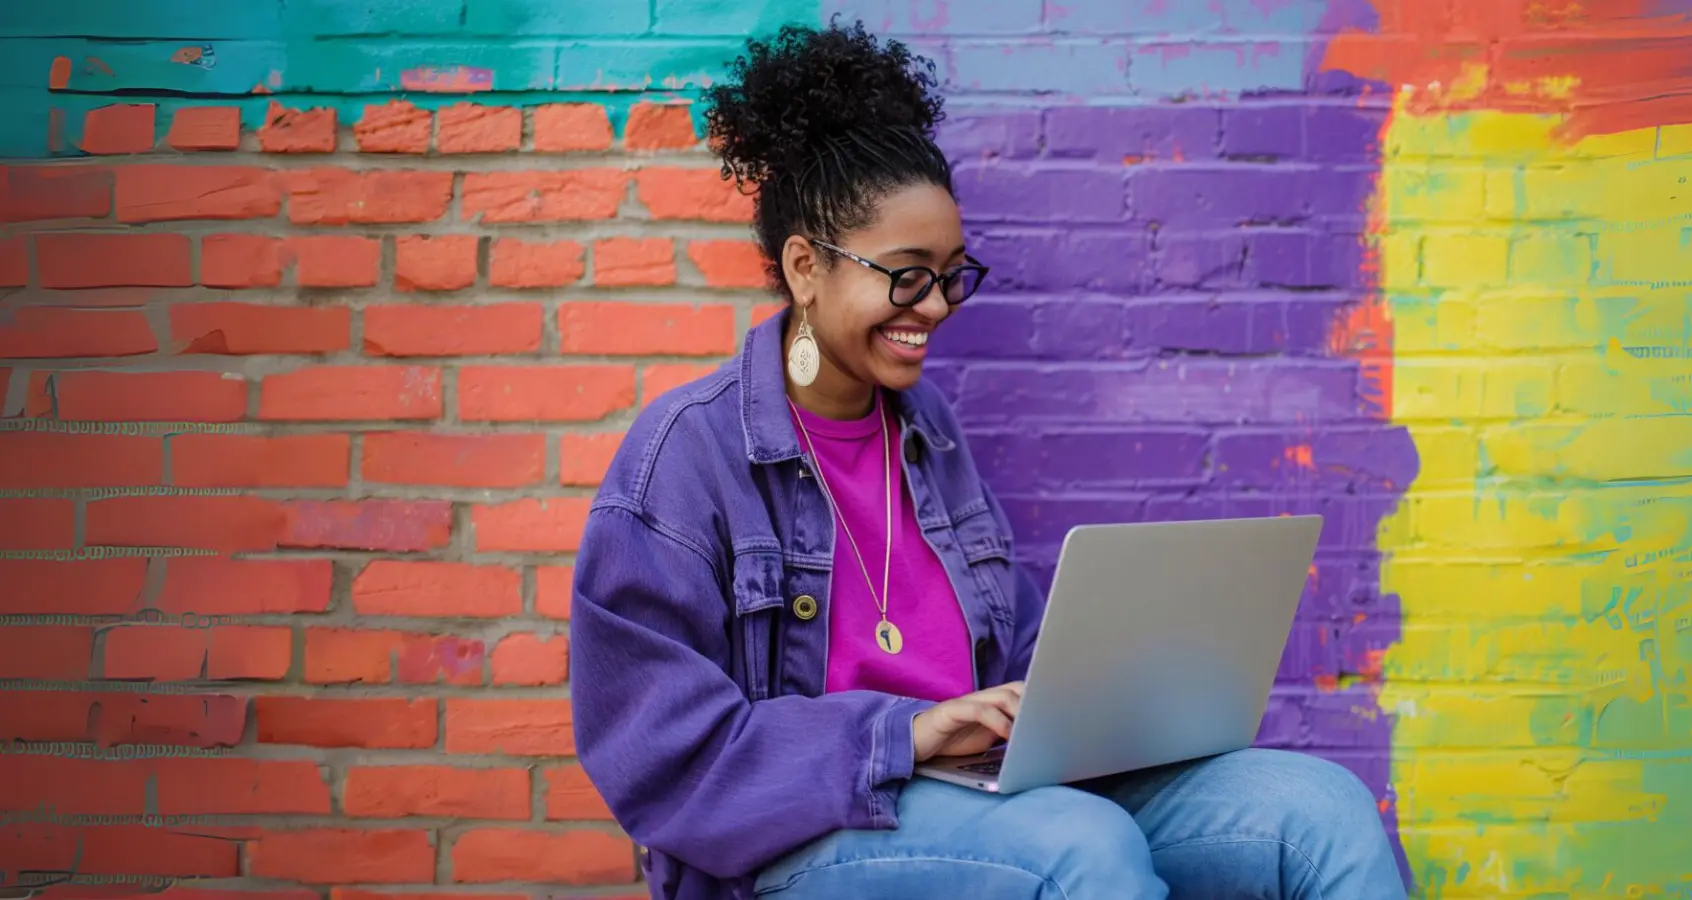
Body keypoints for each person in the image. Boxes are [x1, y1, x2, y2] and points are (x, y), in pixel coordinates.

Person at [568, 18, 1410, 900]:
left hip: (994, 794)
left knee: (1318, 809)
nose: (934, 306)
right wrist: (907, 734)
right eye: (907, 275)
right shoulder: (686, 456)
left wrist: (1107, 697)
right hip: (813, 826)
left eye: (952, 275)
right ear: (807, 266)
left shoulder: (927, 433)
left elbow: (1011, 648)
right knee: (1083, 849)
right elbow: (658, 759)